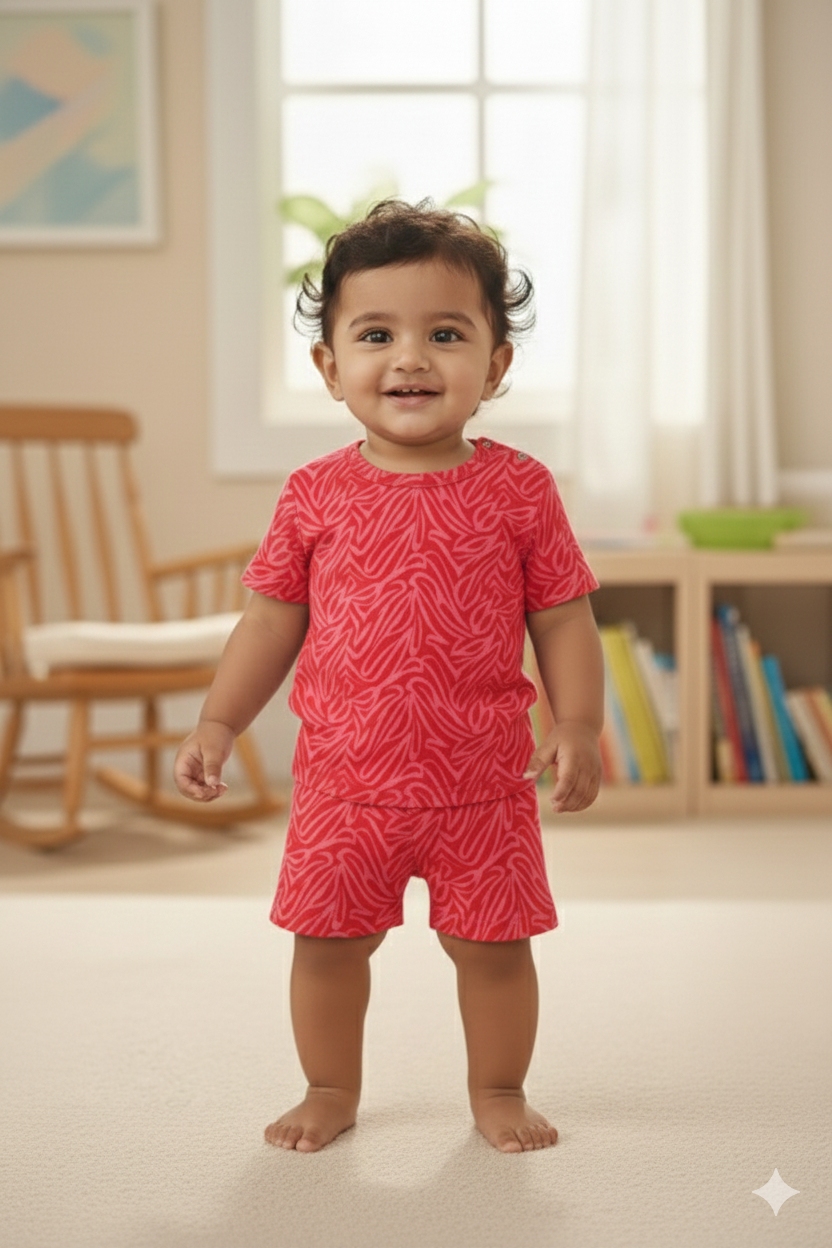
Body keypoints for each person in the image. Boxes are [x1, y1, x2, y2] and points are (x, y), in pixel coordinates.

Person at [174, 199, 604, 1155]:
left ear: (495, 365)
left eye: (445, 334)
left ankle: (499, 1089)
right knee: (327, 946)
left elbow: (564, 617)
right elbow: (270, 621)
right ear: (331, 368)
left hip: (483, 783)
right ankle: (329, 1087)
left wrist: (578, 724)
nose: (411, 359)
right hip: (344, 784)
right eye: (376, 335)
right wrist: (218, 721)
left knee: (494, 950)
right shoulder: (314, 493)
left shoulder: (520, 489)